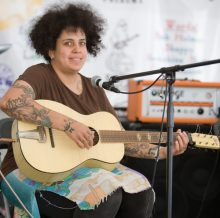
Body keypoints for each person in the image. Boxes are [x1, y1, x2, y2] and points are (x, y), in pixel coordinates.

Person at [0, 3, 189, 218]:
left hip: (81, 170)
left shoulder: (95, 89)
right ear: (50, 49)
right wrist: (69, 125)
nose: (77, 50)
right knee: (105, 195)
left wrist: (164, 151)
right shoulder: (39, 74)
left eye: (82, 43)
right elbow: (10, 101)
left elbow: (121, 140)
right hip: (29, 168)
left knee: (140, 191)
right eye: (68, 43)